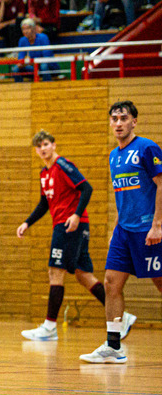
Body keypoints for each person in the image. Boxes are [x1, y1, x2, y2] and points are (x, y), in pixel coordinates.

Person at [16, 131, 124, 341]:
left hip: (69, 225)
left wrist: (75, 215)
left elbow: (87, 188)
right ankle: (122, 316)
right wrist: (27, 222)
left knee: (55, 272)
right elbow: (43, 204)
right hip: (67, 225)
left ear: (54, 145)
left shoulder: (63, 166)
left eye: (46, 144)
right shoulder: (44, 174)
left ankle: (49, 327)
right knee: (84, 275)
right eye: (38, 147)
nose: (43, 149)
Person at [81, 101, 162, 364]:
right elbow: (122, 194)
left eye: (123, 118)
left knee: (160, 282)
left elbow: (161, 185)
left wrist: (157, 225)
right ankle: (114, 346)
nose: (118, 123)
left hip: (148, 229)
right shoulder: (114, 156)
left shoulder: (147, 148)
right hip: (124, 231)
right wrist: (117, 225)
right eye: (114, 118)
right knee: (111, 283)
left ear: (134, 122)